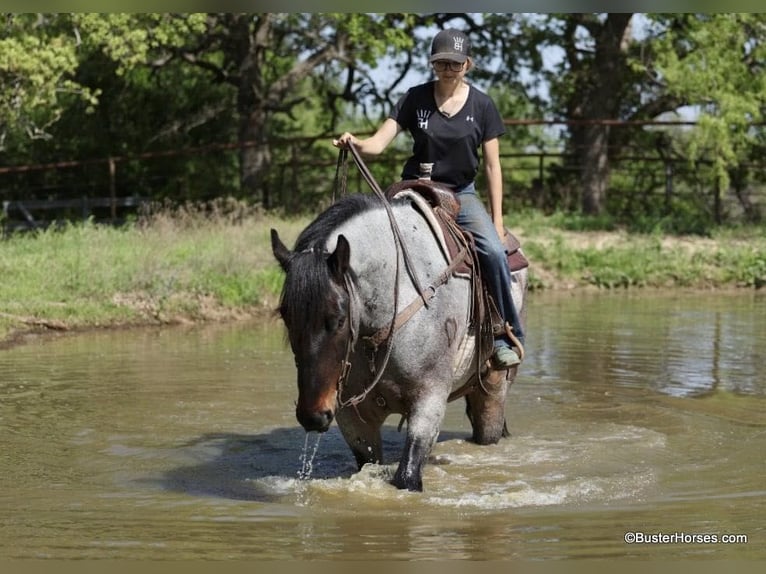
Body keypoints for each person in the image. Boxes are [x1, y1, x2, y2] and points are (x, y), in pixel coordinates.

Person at [333, 28, 524, 369]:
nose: (448, 69)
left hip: (460, 193)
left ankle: (503, 333)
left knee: (494, 251)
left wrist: (496, 220)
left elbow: (494, 167)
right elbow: (378, 143)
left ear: (468, 64)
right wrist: (355, 143)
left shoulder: (482, 105)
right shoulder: (413, 98)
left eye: (455, 63)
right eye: (441, 63)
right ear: (433, 64)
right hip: (415, 187)